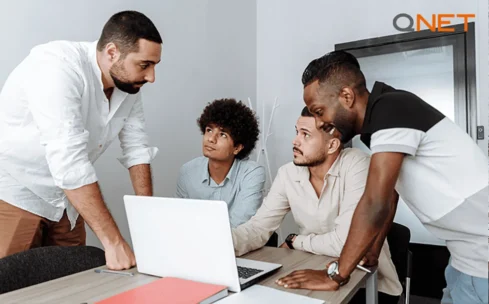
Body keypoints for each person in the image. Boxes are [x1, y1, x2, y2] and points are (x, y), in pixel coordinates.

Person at [276, 51, 488, 304]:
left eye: (320, 111)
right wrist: (373, 251)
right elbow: (390, 195)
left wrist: (336, 276)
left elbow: (375, 203)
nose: (320, 123)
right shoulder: (382, 124)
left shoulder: (390, 108)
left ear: (346, 96)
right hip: (465, 256)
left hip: (481, 256)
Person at [0, 10, 162, 270]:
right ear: (112, 53)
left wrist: (148, 221)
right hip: (19, 193)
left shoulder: (129, 87)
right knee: (10, 287)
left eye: (155, 65)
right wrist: (113, 242)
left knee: (78, 284)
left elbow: (137, 149)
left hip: (69, 203)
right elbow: (70, 162)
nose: (151, 77)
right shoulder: (56, 67)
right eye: (144, 65)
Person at [233, 107, 402, 303]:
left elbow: (346, 242)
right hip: (311, 271)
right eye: (296, 132)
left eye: (305, 135)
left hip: (368, 284)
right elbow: (258, 228)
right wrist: (221, 242)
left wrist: (297, 241)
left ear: (332, 145)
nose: (295, 141)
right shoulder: (288, 173)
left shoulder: (357, 164)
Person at [176, 98, 265, 227]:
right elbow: (180, 219)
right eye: (209, 130)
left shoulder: (252, 173)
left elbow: (240, 223)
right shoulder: (187, 172)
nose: (211, 139)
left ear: (237, 147)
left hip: (236, 244)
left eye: (223, 134)